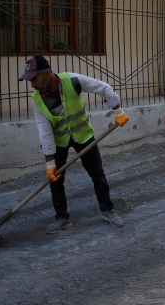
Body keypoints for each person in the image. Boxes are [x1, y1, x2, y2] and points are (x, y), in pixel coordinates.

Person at [19, 56, 129, 233]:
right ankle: (62, 217)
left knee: (97, 174)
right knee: (55, 179)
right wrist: (50, 164)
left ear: (47, 74)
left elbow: (103, 88)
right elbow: (44, 131)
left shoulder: (73, 80)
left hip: (83, 135)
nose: (32, 85)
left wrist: (118, 111)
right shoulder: (37, 99)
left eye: (34, 79)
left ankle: (107, 209)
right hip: (59, 140)